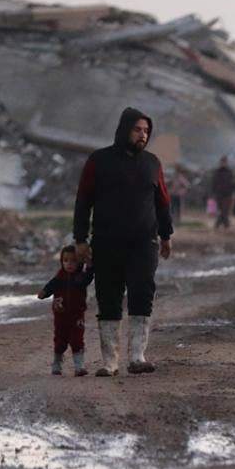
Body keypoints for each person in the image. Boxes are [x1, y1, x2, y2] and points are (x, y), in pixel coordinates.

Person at [72, 106, 172, 376]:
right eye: (137, 130)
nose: (143, 135)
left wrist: (166, 234)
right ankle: (110, 362)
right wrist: (80, 239)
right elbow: (83, 200)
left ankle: (137, 357)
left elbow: (163, 201)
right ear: (124, 130)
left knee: (142, 293)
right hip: (106, 242)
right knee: (108, 297)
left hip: (144, 242)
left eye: (146, 131)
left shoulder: (152, 163)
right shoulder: (99, 160)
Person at [38, 244, 94, 376]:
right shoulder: (59, 278)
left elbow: (89, 275)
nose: (69, 264)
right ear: (61, 262)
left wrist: (89, 264)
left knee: (77, 340)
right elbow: (50, 287)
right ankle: (57, 362)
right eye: (65, 260)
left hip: (77, 316)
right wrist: (44, 292)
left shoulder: (81, 278)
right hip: (60, 317)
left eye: (73, 261)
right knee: (60, 341)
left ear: (79, 262)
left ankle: (79, 366)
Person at [211, 157, 235, 230]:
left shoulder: (230, 172)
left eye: (225, 162)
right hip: (219, 193)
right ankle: (226, 223)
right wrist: (214, 192)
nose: (224, 164)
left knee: (225, 209)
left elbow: (232, 183)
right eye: (222, 162)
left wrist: (232, 192)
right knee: (221, 209)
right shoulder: (217, 172)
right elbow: (214, 183)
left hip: (227, 194)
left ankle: (218, 224)